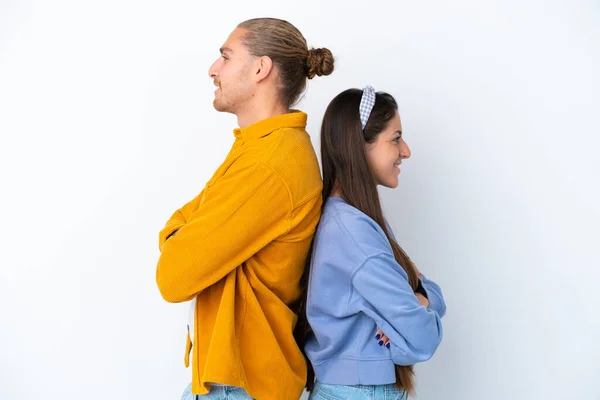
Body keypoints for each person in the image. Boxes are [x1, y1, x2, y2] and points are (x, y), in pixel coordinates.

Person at [155, 17, 334, 400]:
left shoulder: (270, 164)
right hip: (230, 380)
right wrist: (181, 234)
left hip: (243, 387)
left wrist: (180, 237)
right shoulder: (257, 148)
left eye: (225, 56)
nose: (213, 69)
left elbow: (173, 276)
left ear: (260, 68)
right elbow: (181, 224)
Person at [298, 87, 446, 399]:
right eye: (395, 138)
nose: (406, 151)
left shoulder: (354, 221)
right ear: (361, 146)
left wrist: (421, 299)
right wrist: (418, 298)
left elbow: (431, 298)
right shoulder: (354, 233)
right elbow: (423, 337)